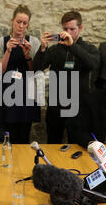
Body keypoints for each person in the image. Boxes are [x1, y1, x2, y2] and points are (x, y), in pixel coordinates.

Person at [32, 11, 99, 144]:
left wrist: (72, 46)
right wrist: (43, 49)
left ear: (80, 28)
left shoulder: (88, 48)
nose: (67, 32)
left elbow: (94, 64)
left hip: (78, 107)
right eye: (65, 29)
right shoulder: (55, 49)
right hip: (55, 107)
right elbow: (36, 69)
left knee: (77, 145)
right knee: (53, 143)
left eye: (72, 29)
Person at [0, 4, 41, 143]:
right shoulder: (1, 42)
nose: (21, 26)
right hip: (6, 93)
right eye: (18, 22)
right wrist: (8, 51)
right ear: (12, 21)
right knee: (7, 136)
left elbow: (35, 72)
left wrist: (27, 56)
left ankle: (23, 164)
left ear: (28, 25)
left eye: (24, 23)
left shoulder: (34, 42)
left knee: (24, 136)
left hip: (27, 94)